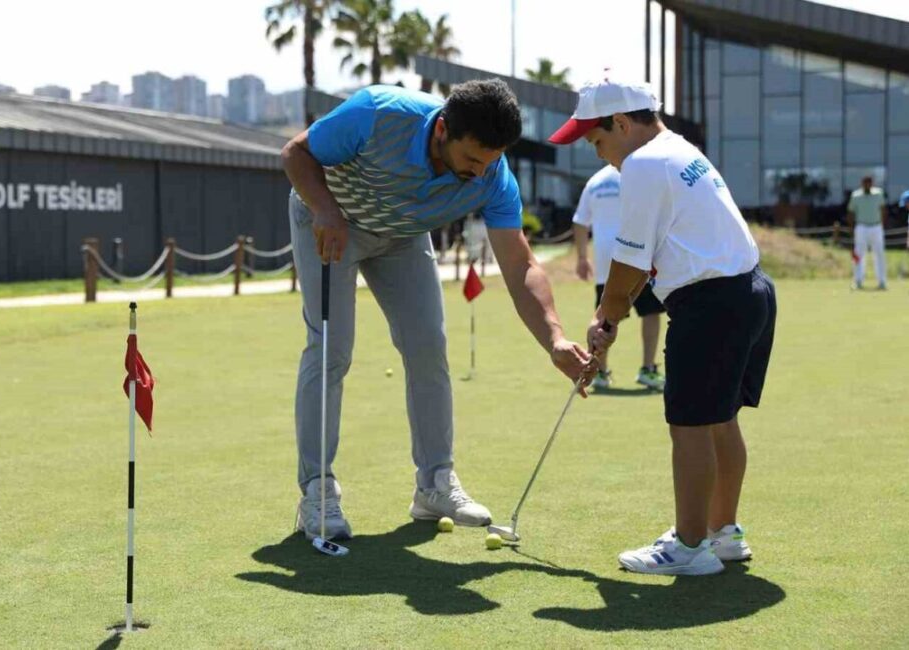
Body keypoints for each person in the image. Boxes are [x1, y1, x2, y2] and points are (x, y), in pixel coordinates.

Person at [281, 80, 592, 541]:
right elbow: (296, 154)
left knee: (428, 346)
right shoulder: (378, 113)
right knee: (332, 349)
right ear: (442, 129)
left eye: (489, 162)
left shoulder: (493, 175)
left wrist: (555, 338)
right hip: (331, 222)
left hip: (403, 236)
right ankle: (317, 491)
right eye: (470, 160)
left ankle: (434, 484)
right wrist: (326, 209)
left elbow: (520, 264)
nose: (479, 173)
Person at [549, 77, 776, 576]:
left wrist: (604, 316)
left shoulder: (644, 164)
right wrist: (614, 311)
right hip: (750, 291)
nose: (600, 154)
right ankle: (723, 532)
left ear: (623, 123)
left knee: (690, 424)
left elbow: (628, 266)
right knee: (719, 418)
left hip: (711, 304)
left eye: (598, 141)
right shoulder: (679, 149)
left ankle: (691, 547)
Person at [572, 165, 666, 391]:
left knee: (604, 317)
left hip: (606, 260)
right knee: (651, 312)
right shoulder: (638, 174)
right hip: (635, 256)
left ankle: (600, 372)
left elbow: (580, 221)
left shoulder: (594, 180)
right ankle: (647, 369)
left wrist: (582, 257)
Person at [847, 176, 889, 290]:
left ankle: (882, 281)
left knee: (879, 254)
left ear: (872, 183)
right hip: (861, 227)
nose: (867, 185)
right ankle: (858, 280)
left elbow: (883, 210)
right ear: (862, 184)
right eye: (865, 183)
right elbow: (850, 213)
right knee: (858, 254)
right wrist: (852, 229)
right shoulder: (856, 195)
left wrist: (882, 225)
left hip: (876, 226)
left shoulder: (878, 193)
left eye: (869, 183)